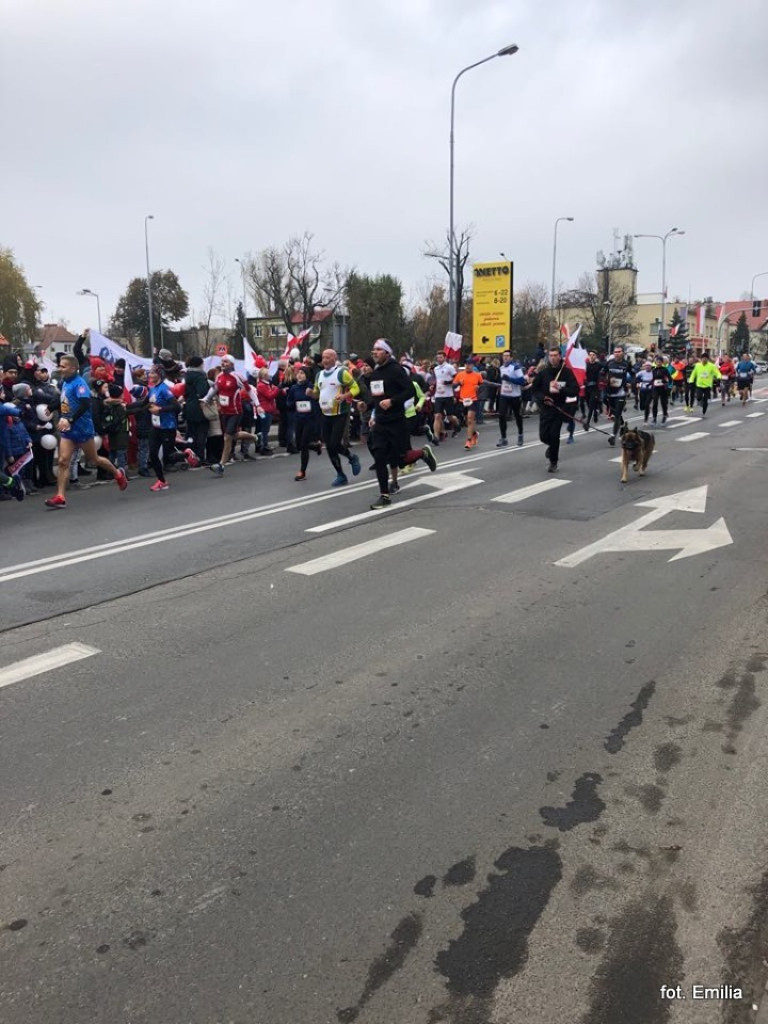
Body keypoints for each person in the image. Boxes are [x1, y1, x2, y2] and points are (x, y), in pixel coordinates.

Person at [44, 355, 128, 509]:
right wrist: (51, 407)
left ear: (73, 368)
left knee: (94, 459)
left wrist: (70, 420)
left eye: (63, 366)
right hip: (68, 430)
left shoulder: (80, 384)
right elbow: (62, 400)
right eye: (60, 366)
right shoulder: (64, 382)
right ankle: (60, 496)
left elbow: (85, 404)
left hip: (82, 428)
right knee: (63, 461)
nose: (60, 369)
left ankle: (117, 474)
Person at [363, 339, 434, 509]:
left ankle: (423, 453)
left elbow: (409, 390)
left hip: (397, 421)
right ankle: (384, 495)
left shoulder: (396, 369)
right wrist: (366, 406)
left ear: (387, 353)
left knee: (402, 460)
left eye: (378, 350)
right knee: (380, 458)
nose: (375, 352)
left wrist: (393, 401)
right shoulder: (375, 372)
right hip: (381, 422)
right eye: (373, 349)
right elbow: (377, 397)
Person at [309, 348, 361, 487]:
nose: (324, 360)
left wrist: (344, 396)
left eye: (327, 357)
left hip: (340, 414)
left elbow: (356, 388)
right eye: (323, 358)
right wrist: (311, 393)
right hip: (325, 414)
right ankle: (341, 474)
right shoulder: (319, 375)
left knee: (334, 444)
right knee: (330, 447)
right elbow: (317, 393)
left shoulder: (341, 373)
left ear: (334, 358)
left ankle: (352, 458)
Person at [531, 347, 579, 472]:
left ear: (560, 356)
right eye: (551, 355)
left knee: (554, 435)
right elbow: (535, 389)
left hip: (559, 409)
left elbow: (575, 390)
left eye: (555, 355)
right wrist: (543, 398)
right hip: (545, 409)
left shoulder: (567, 373)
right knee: (543, 436)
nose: (553, 358)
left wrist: (561, 389)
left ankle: (553, 462)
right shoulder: (544, 373)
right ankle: (552, 448)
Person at [602, 345, 634, 447]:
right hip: (610, 392)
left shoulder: (626, 364)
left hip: (621, 392)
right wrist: (605, 380)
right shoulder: (609, 363)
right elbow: (602, 373)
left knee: (616, 416)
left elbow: (633, 374)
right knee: (616, 413)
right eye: (615, 352)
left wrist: (631, 383)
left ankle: (613, 436)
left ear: (623, 353)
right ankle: (623, 425)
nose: (617, 353)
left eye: (619, 351)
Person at [495, 350, 527, 447]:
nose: (505, 358)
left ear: (511, 358)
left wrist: (510, 379)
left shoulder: (515, 367)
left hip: (515, 396)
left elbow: (522, 381)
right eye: (504, 356)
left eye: (508, 356)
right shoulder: (501, 368)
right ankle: (503, 438)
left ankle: (520, 434)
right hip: (504, 396)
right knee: (501, 416)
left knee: (517, 416)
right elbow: (502, 381)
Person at [452, 359, 483, 449]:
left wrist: (478, 387)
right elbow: (453, 385)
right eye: (466, 364)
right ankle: (474, 433)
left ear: (473, 366)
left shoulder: (477, 375)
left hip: (473, 399)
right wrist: (458, 383)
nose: (467, 366)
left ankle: (468, 440)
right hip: (463, 400)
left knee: (470, 419)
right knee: (467, 421)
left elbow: (481, 385)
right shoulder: (460, 374)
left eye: (469, 364)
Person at [431, 352, 460, 441]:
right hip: (438, 395)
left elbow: (457, 378)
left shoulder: (449, 367)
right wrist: (433, 385)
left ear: (444, 358)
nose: (439, 359)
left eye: (440, 357)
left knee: (449, 417)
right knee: (437, 416)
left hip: (448, 395)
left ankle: (457, 425)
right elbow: (437, 380)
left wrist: (448, 382)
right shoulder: (436, 368)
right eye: (438, 358)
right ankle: (436, 436)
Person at [688, 352, 721, 416]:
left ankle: (704, 408)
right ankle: (701, 402)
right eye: (703, 358)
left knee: (706, 399)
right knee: (698, 397)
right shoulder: (697, 365)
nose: (704, 360)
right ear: (701, 359)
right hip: (699, 385)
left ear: (708, 359)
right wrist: (691, 381)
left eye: (706, 358)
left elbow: (717, 373)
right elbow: (693, 374)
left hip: (707, 385)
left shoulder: (712, 366)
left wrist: (719, 378)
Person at [650, 354, 672, 424]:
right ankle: (654, 418)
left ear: (662, 363)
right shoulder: (654, 370)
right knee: (655, 403)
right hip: (656, 388)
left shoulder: (665, 370)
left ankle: (665, 415)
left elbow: (670, 379)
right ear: (655, 362)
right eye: (657, 361)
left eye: (660, 362)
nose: (658, 363)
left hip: (663, 388)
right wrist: (651, 384)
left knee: (663, 403)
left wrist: (665, 382)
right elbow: (652, 379)